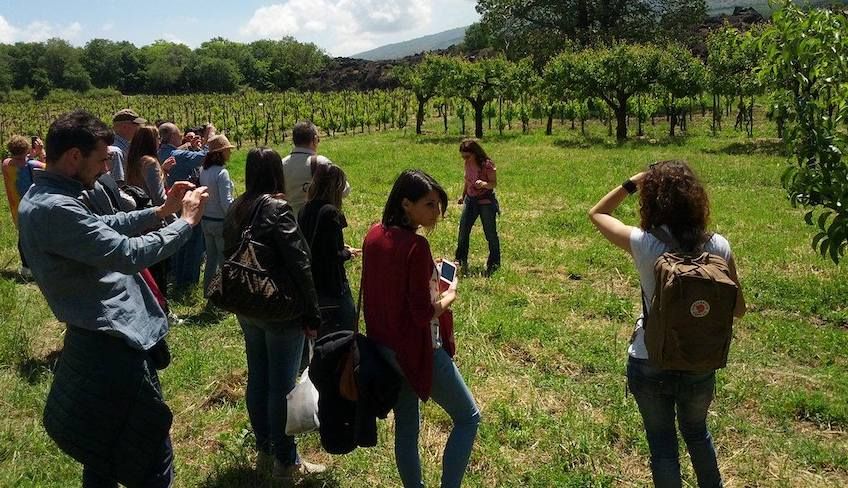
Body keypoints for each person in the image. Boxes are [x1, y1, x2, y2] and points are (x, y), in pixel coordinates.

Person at [17, 110, 208, 488]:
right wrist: (184, 223)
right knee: (151, 450)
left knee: (103, 449)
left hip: (94, 339)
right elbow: (126, 253)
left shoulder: (48, 198)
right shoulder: (57, 208)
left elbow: (104, 227)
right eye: (102, 159)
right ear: (74, 156)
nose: (107, 167)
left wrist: (161, 211)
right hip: (113, 346)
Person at [588, 160, 746, 488]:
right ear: (696, 199)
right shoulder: (719, 246)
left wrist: (634, 181)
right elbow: (739, 309)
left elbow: (598, 213)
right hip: (699, 358)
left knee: (662, 446)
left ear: (652, 200)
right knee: (697, 434)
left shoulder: (645, 243)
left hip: (650, 356)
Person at [362, 169, 480, 488]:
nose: (437, 213)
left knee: (406, 429)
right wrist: (451, 293)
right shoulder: (415, 246)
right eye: (429, 205)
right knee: (469, 417)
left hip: (383, 347)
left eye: (438, 205)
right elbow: (423, 312)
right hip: (417, 350)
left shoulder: (373, 235)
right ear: (405, 204)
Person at [222, 147, 325, 482]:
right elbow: (301, 263)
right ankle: (286, 459)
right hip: (279, 308)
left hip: (247, 304)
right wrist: (312, 313)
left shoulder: (239, 206)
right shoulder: (278, 207)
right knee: (283, 386)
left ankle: (266, 445)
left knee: (259, 377)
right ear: (275, 174)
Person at [297, 162, 359, 338]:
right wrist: (348, 253)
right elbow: (331, 256)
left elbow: (313, 245)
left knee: (322, 338)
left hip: (312, 285)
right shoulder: (331, 212)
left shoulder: (303, 209)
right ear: (337, 186)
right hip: (332, 286)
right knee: (347, 335)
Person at [281, 120, 350, 217]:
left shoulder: (282, 164)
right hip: (317, 224)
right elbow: (344, 190)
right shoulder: (321, 163)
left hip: (290, 224)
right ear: (314, 139)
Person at [454, 139, 500, 277]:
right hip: (470, 200)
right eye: (463, 157)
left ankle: (494, 263)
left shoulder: (487, 164)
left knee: (490, 234)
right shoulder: (467, 163)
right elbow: (467, 181)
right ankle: (460, 261)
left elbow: (493, 183)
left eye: (467, 156)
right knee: (463, 231)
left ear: (475, 153)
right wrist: (463, 196)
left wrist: (484, 184)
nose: (465, 159)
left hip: (485, 202)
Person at [2, 135, 45, 277]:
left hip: (17, 208)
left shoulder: (6, 164)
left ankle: (26, 267)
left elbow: (21, 161)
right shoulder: (32, 165)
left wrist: (31, 155)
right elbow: (51, 169)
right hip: (34, 207)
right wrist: (41, 153)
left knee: (23, 237)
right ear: (27, 149)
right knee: (39, 237)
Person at [198, 134, 236, 293]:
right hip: (220, 222)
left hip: (206, 220)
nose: (230, 153)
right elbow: (225, 201)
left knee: (211, 259)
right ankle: (226, 294)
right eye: (227, 150)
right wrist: (236, 216)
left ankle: (208, 291)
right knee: (224, 261)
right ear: (220, 153)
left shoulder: (203, 170)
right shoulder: (222, 173)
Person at [109, 108, 146, 184]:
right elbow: (118, 182)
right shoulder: (117, 151)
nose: (140, 128)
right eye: (137, 125)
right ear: (125, 127)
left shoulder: (122, 147)